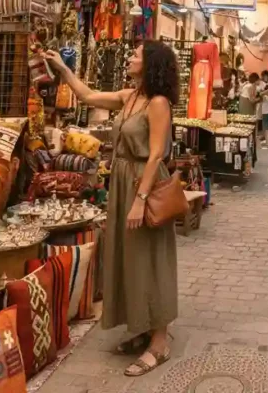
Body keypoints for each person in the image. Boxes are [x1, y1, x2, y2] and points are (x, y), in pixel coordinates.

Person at [44, 42, 179, 377]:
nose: (130, 57)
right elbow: (87, 95)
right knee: (128, 257)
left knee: (150, 258)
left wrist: (140, 199)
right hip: (121, 182)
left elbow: (156, 154)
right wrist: (63, 69)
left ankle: (160, 341)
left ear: (150, 64)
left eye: (136, 54)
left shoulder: (158, 103)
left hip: (141, 184)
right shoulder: (129, 97)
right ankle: (143, 327)